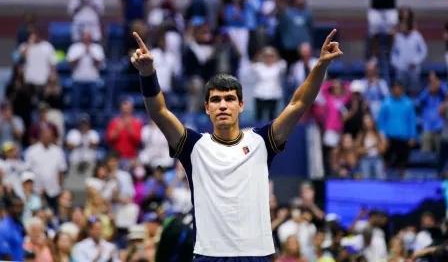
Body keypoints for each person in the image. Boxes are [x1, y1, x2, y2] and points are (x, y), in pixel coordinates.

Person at [130, 28, 342, 260]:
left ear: (241, 105)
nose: (223, 105)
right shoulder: (194, 146)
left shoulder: (261, 141)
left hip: (256, 256)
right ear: (207, 108)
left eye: (229, 99)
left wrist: (321, 65)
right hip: (209, 256)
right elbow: (159, 111)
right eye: (216, 100)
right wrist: (148, 74)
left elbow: (298, 103)